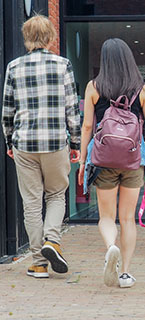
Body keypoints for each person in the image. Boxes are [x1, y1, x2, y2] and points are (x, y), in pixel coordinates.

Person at [77, 38, 145, 288]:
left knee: (107, 217)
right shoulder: (141, 89)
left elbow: (87, 125)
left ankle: (111, 247)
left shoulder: (94, 86)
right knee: (128, 219)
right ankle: (125, 274)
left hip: (102, 159)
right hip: (134, 158)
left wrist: (82, 161)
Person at [1, 15, 81, 278]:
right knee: (57, 195)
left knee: (32, 203)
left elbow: (7, 110)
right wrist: (76, 142)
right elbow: (71, 108)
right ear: (50, 37)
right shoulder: (63, 65)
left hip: (24, 142)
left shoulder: (14, 67)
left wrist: (9, 140)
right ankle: (52, 240)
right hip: (55, 141)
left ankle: (38, 263)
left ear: (26, 38)